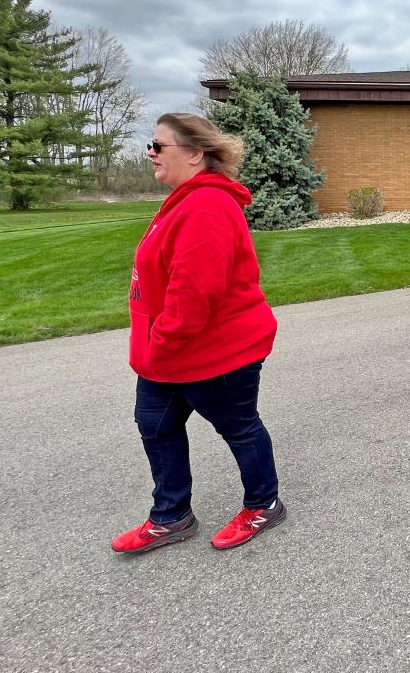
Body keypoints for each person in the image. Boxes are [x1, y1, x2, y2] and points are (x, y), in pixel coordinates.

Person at [112, 113, 284, 555]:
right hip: (168, 353)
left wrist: (160, 343)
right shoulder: (185, 200)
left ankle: (263, 504)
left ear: (193, 153)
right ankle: (171, 516)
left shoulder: (206, 204)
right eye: (150, 145)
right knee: (155, 425)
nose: (150, 153)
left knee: (239, 428)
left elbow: (194, 295)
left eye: (157, 146)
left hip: (216, 351)